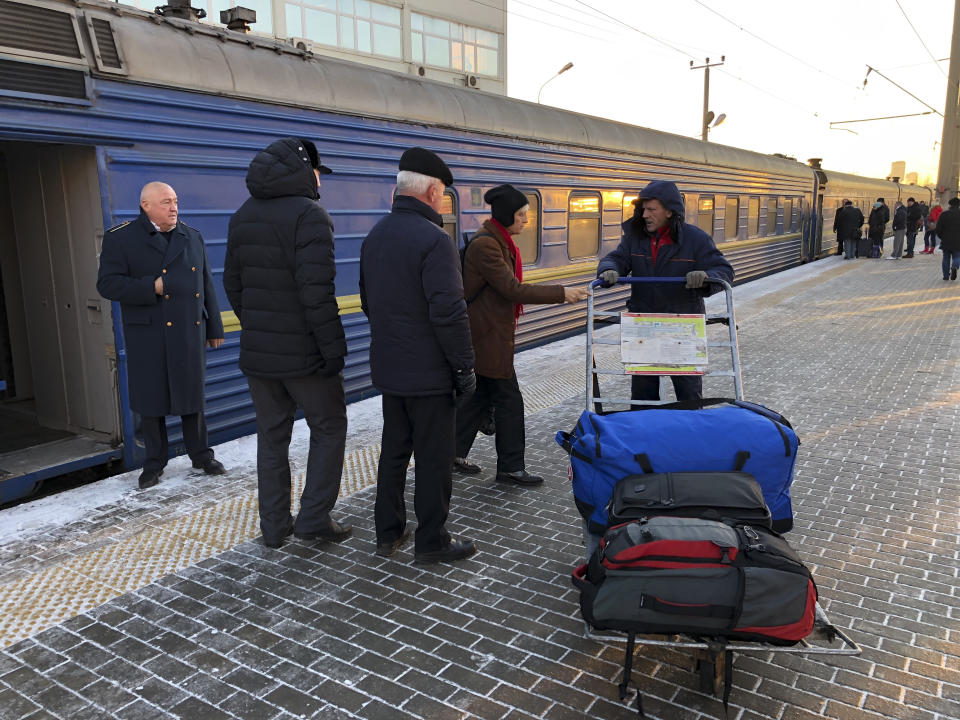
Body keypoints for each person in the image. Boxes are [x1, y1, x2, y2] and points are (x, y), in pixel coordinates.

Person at [224, 137, 352, 549]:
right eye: (318, 173)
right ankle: (314, 517)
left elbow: (233, 284)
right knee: (329, 426)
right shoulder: (310, 216)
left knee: (272, 438)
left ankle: (275, 527)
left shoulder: (242, 216)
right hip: (305, 357)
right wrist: (333, 351)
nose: (320, 181)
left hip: (260, 357)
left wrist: (260, 325)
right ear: (305, 170)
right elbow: (317, 293)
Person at [360, 147, 477, 564]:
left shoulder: (376, 236)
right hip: (429, 375)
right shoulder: (435, 240)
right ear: (430, 191)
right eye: (443, 193)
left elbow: (368, 303)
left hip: (391, 370)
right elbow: (449, 312)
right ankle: (432, 540)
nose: (444, 201)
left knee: (394, 451)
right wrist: (463, 366)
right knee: (433, 458)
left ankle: (387, 533)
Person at [453, 185, 589, 485]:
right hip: (487, 337)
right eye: (521, 215)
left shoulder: (499, 242)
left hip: (490, 334)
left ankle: (453, 452)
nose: (526, 220)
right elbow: (511, 289)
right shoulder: (487, 246)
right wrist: (561, 293)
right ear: (506, 216)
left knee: (479, 397)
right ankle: (511, 467)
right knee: (510, 402)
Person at [97, 182, 226, 490]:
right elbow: (107, 284)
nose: (173, 207)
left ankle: (201, 454)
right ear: (146, 206)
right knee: (151, 398)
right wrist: (149, 287)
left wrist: (215, 327)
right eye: (166, 202)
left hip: (187, 328)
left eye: (175, 201)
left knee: (191, 394)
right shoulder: (122, 238)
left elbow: (206, 283)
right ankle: (154, 463)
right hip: (148, 332)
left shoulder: (191, 236)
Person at [596, 180, 734, 404]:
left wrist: (706, 279)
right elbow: (616, 258)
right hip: (644, 325)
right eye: (643, 209)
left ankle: (687, 436)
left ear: (670, 211)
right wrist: (609, 269)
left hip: (682, 326)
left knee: (688, 395)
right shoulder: (635, 238)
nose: (645, 215)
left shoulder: (696, 239)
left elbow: (724, 270)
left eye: (651, 209)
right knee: (642, 396)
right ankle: (645, 436)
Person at [935, 197, 960, 281]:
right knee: (957, 256)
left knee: (946, 257)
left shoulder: (944, 214)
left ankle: (946, 276)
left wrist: (942, 237)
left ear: (950, 205)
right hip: (958, 241)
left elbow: (938, 229)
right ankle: (954, 266)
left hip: (946, 240)